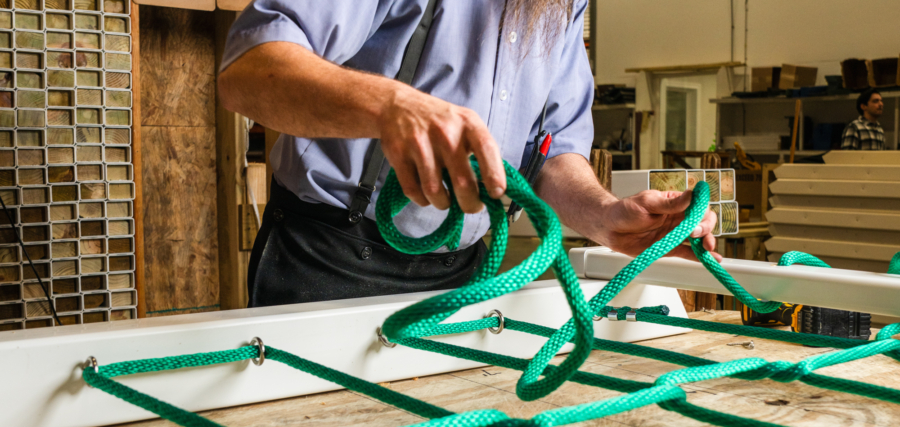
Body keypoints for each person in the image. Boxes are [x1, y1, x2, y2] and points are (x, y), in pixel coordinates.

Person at [218, 0, 719, 307]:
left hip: (461, 276)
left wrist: (607, 216)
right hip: (330, 261)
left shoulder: (563, 5)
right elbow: (247, 72)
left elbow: (550, 154)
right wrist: (390, 106)